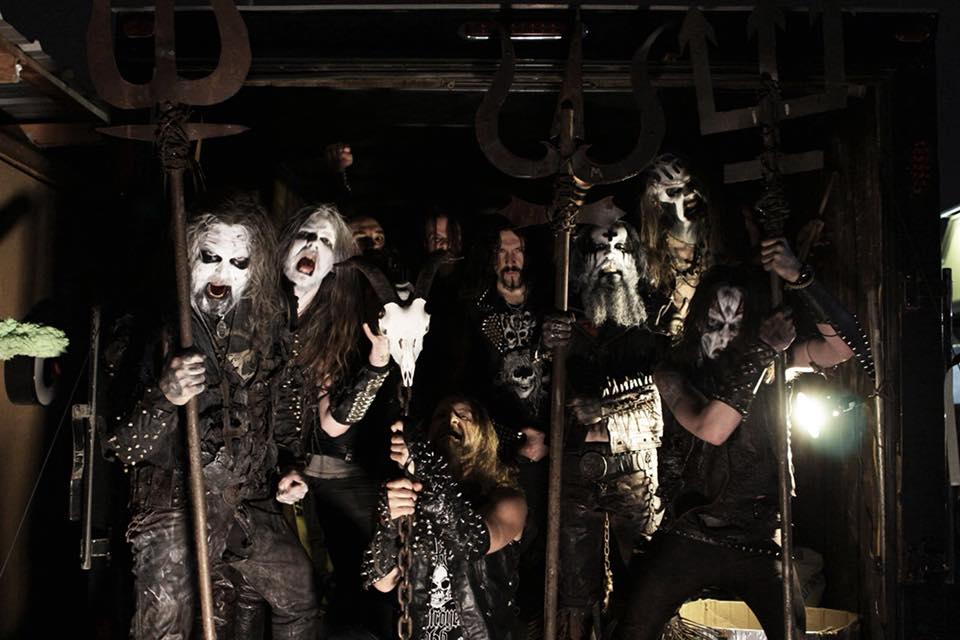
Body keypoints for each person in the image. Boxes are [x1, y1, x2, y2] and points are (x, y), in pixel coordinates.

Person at [615, 237, 874, 640]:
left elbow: (842, 348)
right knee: (634, 626)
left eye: (736, 326)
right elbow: (713, 428)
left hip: (759, 539)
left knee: (792, 633)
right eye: (715, 323)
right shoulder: (674, 373)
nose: (724, 336)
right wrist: (762, 351)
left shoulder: (774, 363)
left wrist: (799, 277)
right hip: (693, 530)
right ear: (698, 322)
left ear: (752, 327)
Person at [104, 193, 317, 640]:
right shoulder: (152, 325)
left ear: (255, 268)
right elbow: (122, 445)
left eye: (239, 263)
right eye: (210, 257)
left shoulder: (266, 322)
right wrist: (165, 394)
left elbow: (281, 403)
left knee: (298, 586)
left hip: (246, 501)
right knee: (165, 627)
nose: (223, 274)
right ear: (187, 256)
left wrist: (289, 466)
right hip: (175, 501)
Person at [273, 203, 395, 639]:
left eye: (325, 241)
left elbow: (331, 423)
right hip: (263, 470)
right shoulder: (258, 312)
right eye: (307, 234)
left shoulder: (331, 323)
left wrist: (376, 366)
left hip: (326, 465)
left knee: (379, 570)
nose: (313, 245)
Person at [543, 219, 668, 640]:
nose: (611, 258)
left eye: (620, 248)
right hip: (574, 470)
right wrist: (545, 346)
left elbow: (664, 401)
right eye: (601, 249)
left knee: (642, 588)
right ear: (583, 261)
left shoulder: (656, 321)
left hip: (634, 470)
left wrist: (608, 409)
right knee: (575, 593)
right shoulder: (563, 319)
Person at [363, 396, 528, 640]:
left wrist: (421, 462)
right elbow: (383, 583)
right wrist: (388, 521)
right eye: (440, 416)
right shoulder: (411, 495)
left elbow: (471, 541)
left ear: (484, 434)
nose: (451, 420)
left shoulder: (508, 499)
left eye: (464, 416)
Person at [636, 154, 716, 337]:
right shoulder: (649, 254)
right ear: (656, 201)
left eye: (690, 185)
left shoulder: (715, 239)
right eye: (674, 191)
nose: (689, 194)